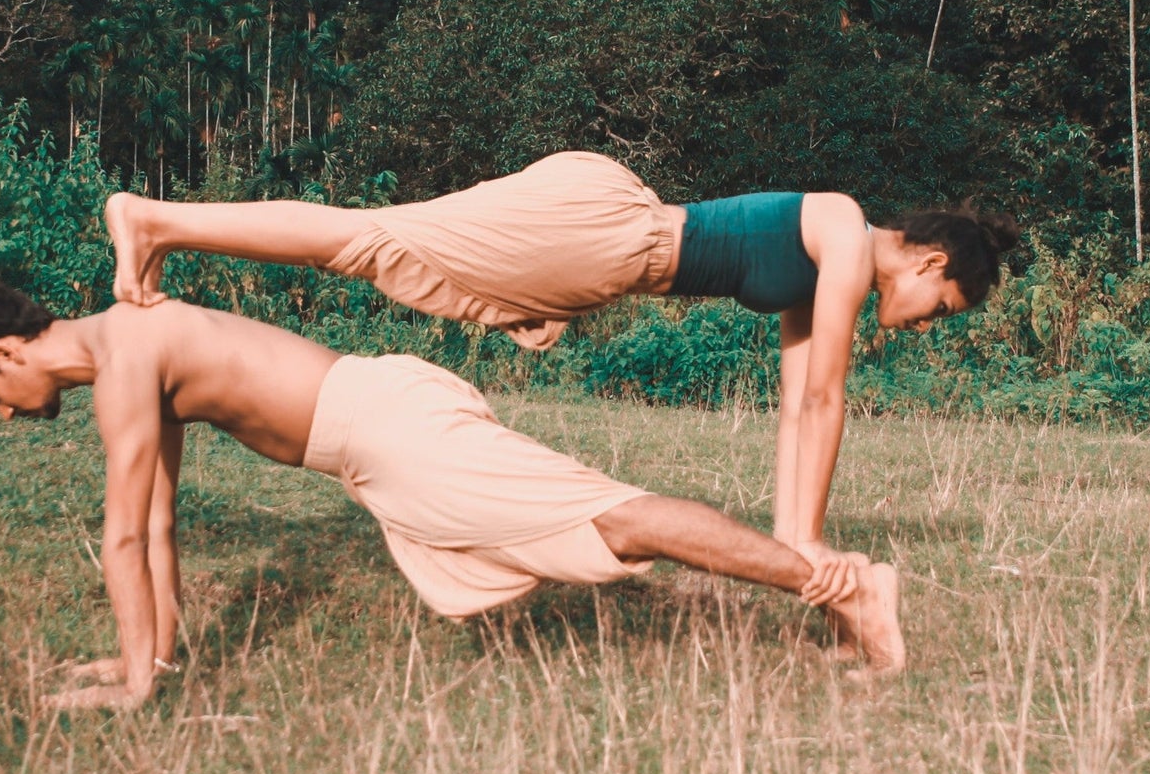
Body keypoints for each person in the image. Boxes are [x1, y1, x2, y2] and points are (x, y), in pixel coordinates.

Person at [0, 275, 904, 708]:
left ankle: (842, 584)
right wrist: (149, 660)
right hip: (375, 438)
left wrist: (129, 684)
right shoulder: (127, 349)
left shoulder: (123, 352)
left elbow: (124, 539)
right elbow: (158, 526)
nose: (1, 411)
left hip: (385, 430)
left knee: (616, 517)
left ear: (2, 350)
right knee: (605, 524)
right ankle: (835, 585)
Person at [105, 154, 1017, 552]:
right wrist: (810, 550)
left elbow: (798, 409)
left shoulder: (831, 264)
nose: (933, 318)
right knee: (372, 241)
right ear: (932, 261)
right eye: (946, 303)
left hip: (600, 256)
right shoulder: (850, 237)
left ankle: (164, 223)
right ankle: (155, 220)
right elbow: (824, 405)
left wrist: (793, 542)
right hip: (608, 235)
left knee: (397, 252)